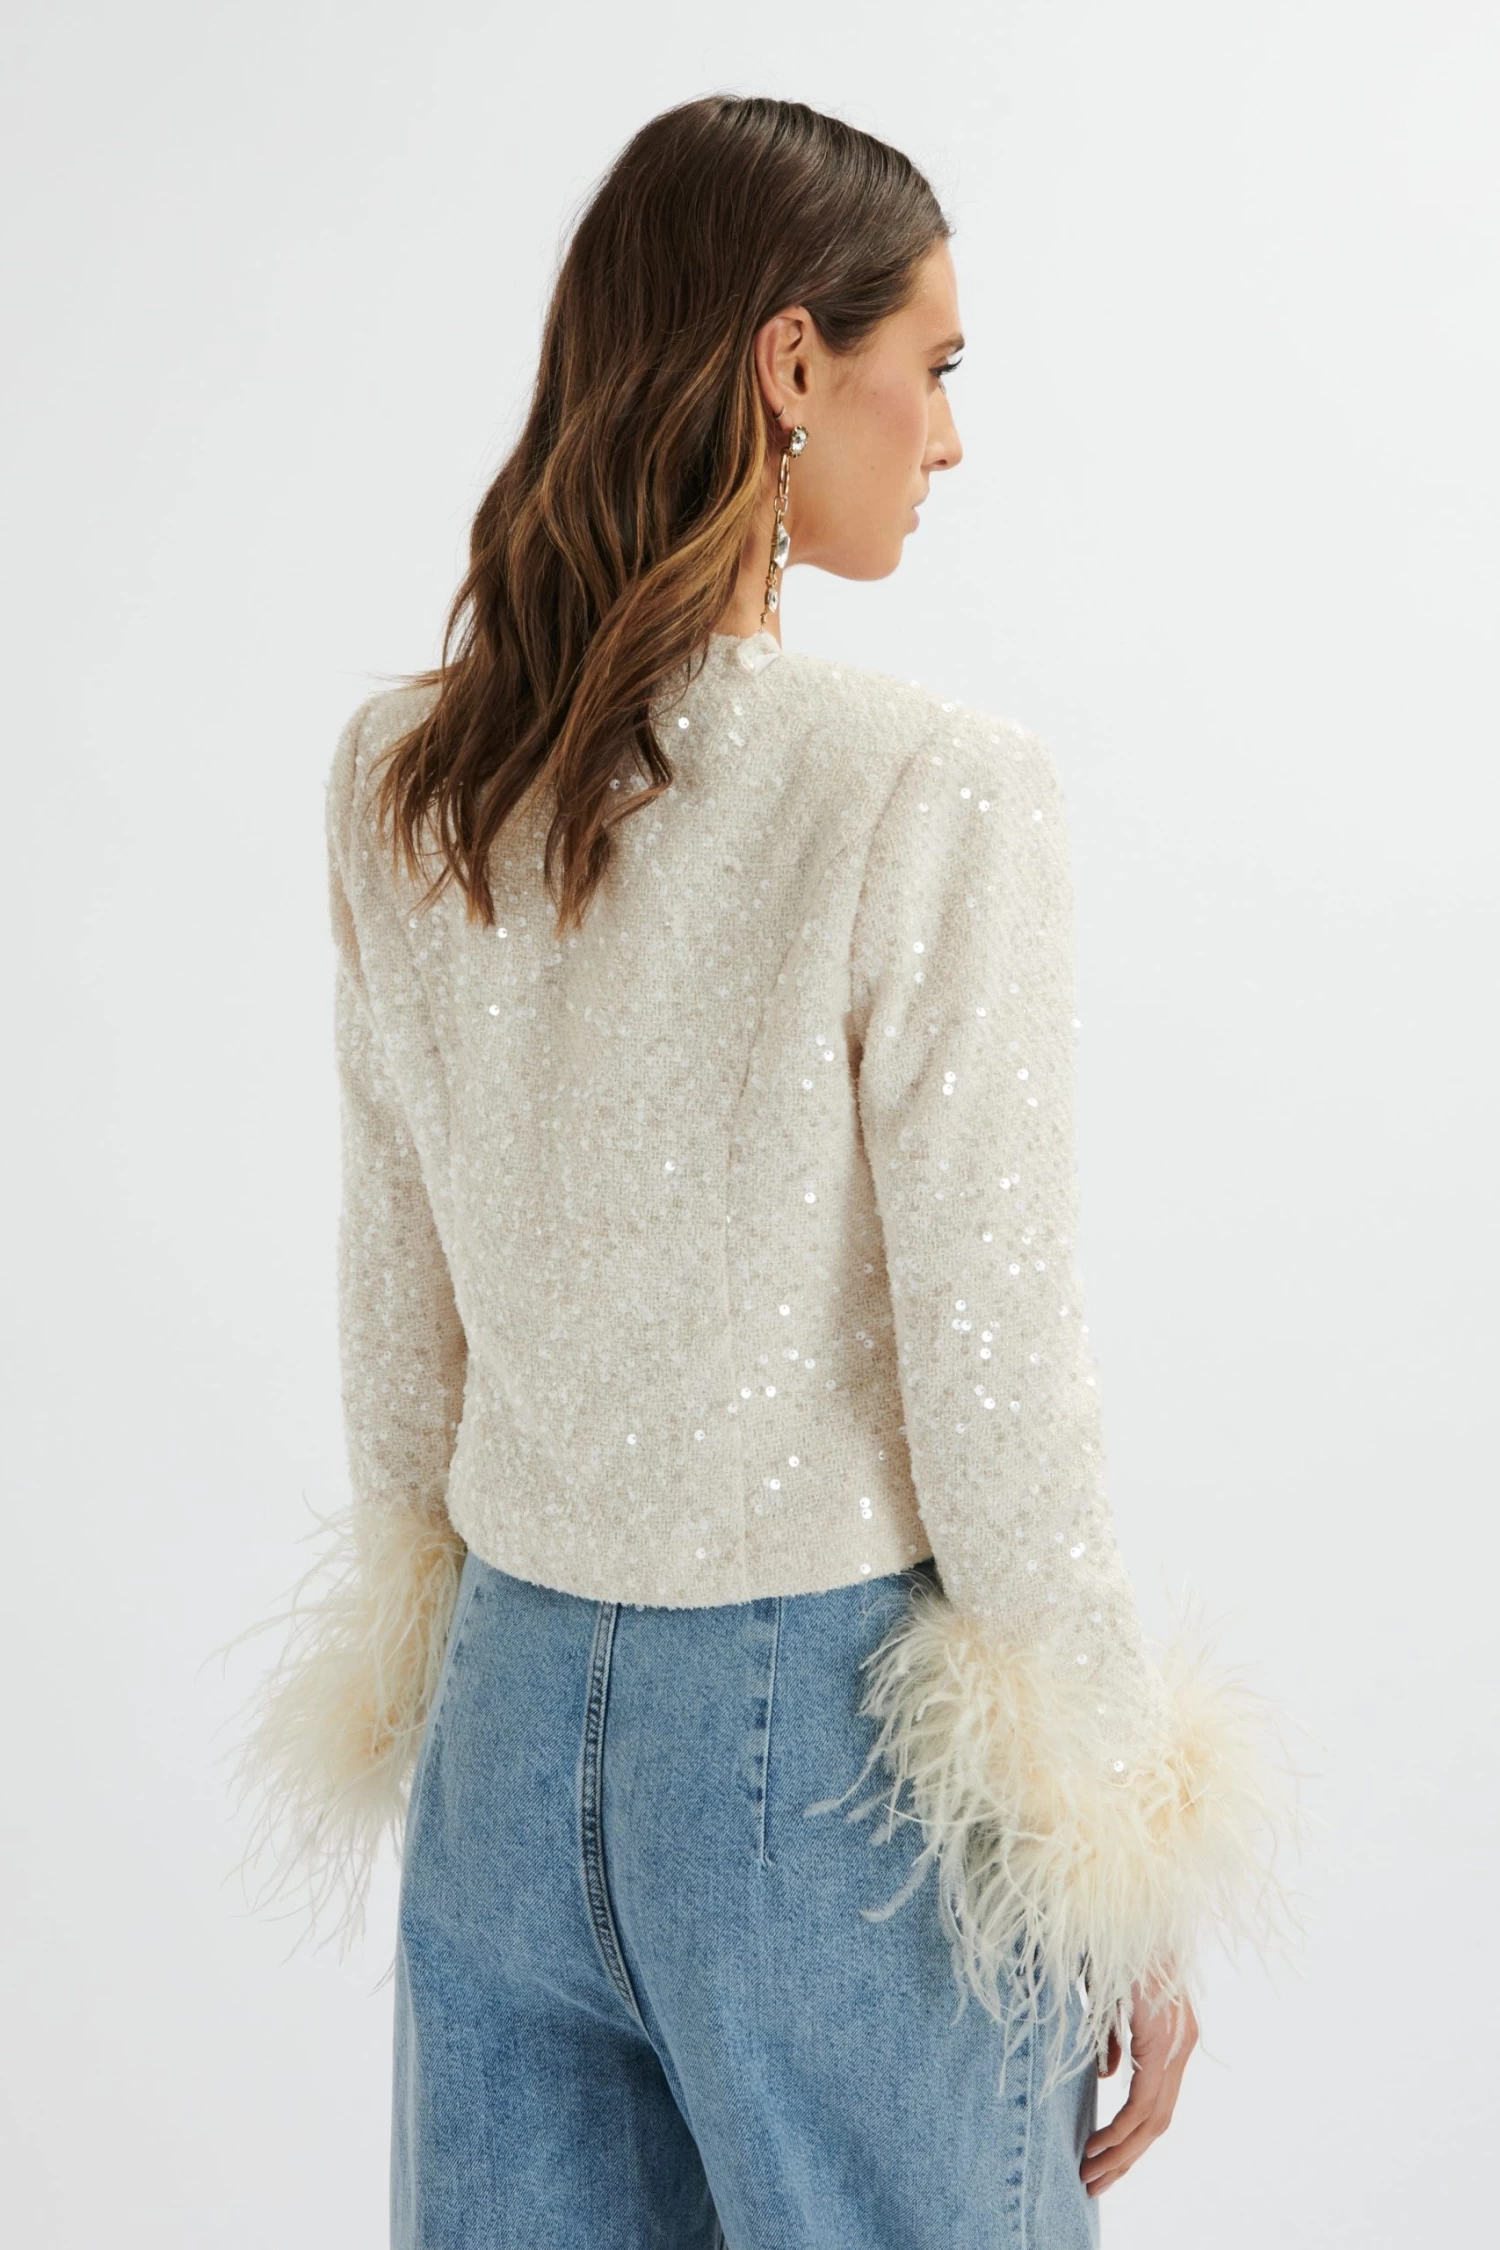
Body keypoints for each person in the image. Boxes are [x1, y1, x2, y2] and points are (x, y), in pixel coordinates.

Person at [224, 92, 1294, 2249]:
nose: (952, 438)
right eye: (936, 368)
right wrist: (1108, 1843)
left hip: (505, 1735)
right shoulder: (927, 792)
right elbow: (1000, 1390)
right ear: (793, 366)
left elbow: (394, 1326)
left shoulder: (409, 777)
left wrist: (473, 1678)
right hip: (832, 1775)